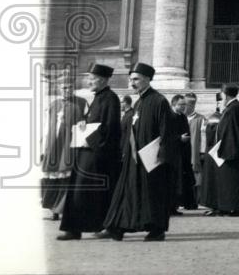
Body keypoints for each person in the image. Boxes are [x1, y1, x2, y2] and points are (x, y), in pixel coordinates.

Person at [103, 63, 176, 241]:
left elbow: (166, 131)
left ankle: (157, 230)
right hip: (133, 158)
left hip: (151, 159)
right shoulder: (139, 102)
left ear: (147, 79)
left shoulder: (159, 101)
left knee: (151, 195)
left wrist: (161, 156)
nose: (132, 83)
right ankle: (118, 226)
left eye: (136, 79)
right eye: (131, 80)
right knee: (128, 192)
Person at [57, 64, 121, 240]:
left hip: (97, 154)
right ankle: (74, 228)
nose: (88, 82)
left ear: (102, 80)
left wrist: (91, 140)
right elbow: (94, 123)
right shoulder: (98, 98)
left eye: (92, 79)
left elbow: (110, 128)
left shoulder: (111, 99)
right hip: (88, 151)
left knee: (84, 192)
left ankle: (82, 228)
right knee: (81, 191)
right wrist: (82, 124)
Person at [41, 80, 87, 220]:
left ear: (73, 89)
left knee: (66, 177)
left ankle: (62, 209)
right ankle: (53, 209)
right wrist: (44, 147)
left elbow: (83, 124)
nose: (66, 90)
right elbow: (46, 125)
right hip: (54, 145)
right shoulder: (54, 104)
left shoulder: (80, 103)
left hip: (68, 145)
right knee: (53, 178)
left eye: (69, 87)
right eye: (63, 88)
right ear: (59, 89)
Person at [213, 84, 239, 217]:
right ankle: (231, 207)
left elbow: (230, 133)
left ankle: (234, 207)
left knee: (233, 182)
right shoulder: (234, 107)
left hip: (232, 151)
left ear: (226, 95)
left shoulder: (233, 109)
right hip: (233, 150)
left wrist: (225, 150)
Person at [169, 94, 197, 213]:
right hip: (174, 153)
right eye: (181, 104)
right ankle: (172, 206)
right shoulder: (170, 117)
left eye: (184, 104)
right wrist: (178, 138)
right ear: (174, 104)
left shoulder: (183, 117)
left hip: (184, 152)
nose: (184, 107)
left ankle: (182, 203)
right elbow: (166, 135)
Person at [198, 94, 223, 215]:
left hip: (215, 152)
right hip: (213, 152)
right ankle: (214, 205)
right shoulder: (214, 117)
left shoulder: (222, 116)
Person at [183, 94, 206, 201]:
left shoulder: (200, 119)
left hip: (194, 152)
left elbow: (203, 137)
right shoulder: (180, 118)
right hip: (183, 153)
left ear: (192, 105)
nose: (183, 107)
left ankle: (196, 199)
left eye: (185, 104)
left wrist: (202, 152)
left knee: (195, 175)